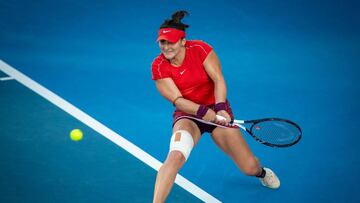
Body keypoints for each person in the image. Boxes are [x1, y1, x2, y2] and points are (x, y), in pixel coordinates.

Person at [151, 10, 280, 203]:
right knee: (175, 156)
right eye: (163, 42)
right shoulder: (159, 66)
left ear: (183, 41)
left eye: (171, 41)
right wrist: (203, 112)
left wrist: (219, 108)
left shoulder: (201, 49)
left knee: (249, 167)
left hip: (218, 111)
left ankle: (261, 173)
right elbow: (177, 100)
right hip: (189, 116)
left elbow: (218, 79)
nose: (167, 46)